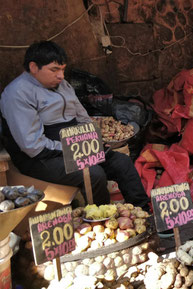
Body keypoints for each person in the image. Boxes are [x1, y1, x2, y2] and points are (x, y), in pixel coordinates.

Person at [0, 41, 149, 208]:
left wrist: (94, 140)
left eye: (62, 69)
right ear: (34, 67)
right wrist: (75, 148)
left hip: (75, 146)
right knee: (94, 174)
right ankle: (103, 221)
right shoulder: (18, 93)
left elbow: (81, 115)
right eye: (54, 70)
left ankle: (143, 210)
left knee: (121, 162)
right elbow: (33, 146)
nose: (61, 76)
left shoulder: (62, 85)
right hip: (41, 158)